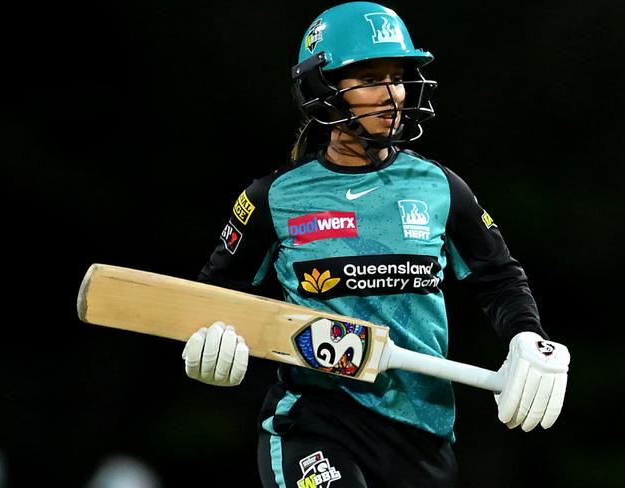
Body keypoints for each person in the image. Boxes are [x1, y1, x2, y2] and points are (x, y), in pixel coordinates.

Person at [181, 2, 571, 486]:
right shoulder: (273, 198)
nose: (393, 96)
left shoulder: (439, 188)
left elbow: (498, 277)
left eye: (398, 77)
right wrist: (211, 343)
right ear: (323, 87)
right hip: (315, 423)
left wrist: (527, 337)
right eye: (370, 79)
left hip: (423, 434)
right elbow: (212, 297)